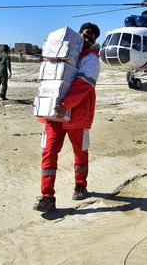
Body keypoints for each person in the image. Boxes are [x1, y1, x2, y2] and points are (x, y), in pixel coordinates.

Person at [34, 23, 101, 212]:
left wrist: (65, 106)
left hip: (77, 116)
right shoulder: (61, 55)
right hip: (53, 115)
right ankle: (47, 196)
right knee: (48, 152)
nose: (87, 40)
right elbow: (49, 79)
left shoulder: (91, 59)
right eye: (86, 35)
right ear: (78, 34)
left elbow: (83, 84)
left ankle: (80, 184)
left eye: (91, 39)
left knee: (80, 152)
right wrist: (40, 101)